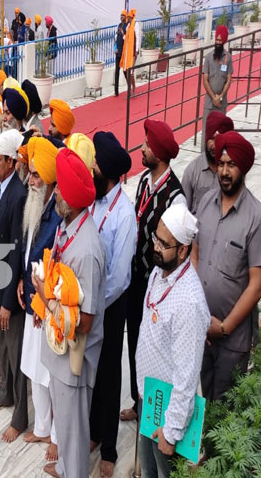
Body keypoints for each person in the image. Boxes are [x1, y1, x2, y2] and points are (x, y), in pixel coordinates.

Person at [32, 148, 105, 477]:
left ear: (72, 198)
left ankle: (72, 470)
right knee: (64, 423)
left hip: (75, 357)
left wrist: (45, 299)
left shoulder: (87, 249)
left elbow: (85, 322)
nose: (56, 193)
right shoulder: (67, 225)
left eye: (60, 188)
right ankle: (64, 467)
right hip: (60, 348)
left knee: (73, 433)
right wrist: (44, 305)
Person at [137, 203, 209, 477]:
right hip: (150, 398)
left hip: (168, 414)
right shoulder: (160, 271)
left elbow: (187, 376)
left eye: (163, 244)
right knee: (148, 470)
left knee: (163, 472)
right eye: (156, 238)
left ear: (183, 250)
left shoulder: (189, 302)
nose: (155, 247)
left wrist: (172, 431)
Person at [121, 120, 185, 423]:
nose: (142, 148)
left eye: (147, 145)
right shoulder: (145, 181)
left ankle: (155, 409)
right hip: (136, 280)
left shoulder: (175, 196)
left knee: (155, 348)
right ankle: (139, 401)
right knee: (135, 341)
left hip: (157, 285)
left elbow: (176, 249)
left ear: (158, 153)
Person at [193, 131, 261, 401]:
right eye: (221, 164)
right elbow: (194, 255)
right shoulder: (206, 203)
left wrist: (222, 327)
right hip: (200, 329)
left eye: (231, 165)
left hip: (232, 341)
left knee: (224, 410)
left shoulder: (255, 217)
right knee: (200, 402)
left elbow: (256, 285)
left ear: (242, 168)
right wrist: (198, 314)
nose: (224, 171)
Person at [88, 131, 137, 478]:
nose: (91, 166)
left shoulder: (124, 213)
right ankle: (92, 431)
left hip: (110, 304)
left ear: (105, 169)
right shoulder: (93, 200)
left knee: (108, 373)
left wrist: (94, 306)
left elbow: (119, 277)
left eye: (95, 162)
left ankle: (109, 448)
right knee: (90, 371)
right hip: (88, 304)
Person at [0, 129, 28, 443]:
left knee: (16, 351)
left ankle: (20, 417)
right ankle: (5, 393)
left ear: (12, 162)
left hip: (8, 286)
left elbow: (16, 252)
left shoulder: (19, 195)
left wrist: (8, 301)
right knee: (2, 345)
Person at [18, 137, 62, 454]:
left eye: (36, 175)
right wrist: (23, 282)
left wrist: (41, 301)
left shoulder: (57, 214)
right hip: (32, 299)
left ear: (48, 179)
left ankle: (57, 437)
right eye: (31, 174)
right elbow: (28, 252)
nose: (31, 181)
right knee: (34, 367)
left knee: (51, 374)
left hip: (47, 306)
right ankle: (42, 428)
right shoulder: (35, 204)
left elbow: (54, 265)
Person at [182, 110, 234, 213]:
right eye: (211, 139)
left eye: (219, 139)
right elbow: (182, 210)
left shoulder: (234, 172)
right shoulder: (192, 170)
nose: (214, 145)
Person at [202, 25, 233, 149]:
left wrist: (220, 97)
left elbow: (229, 79)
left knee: (221, 131)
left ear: (224, 41)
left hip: (221, 102)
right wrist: (213, 97)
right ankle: (204, 155)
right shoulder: (208, 57)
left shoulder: (228, 58)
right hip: (209, 102)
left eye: (220, 40)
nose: (218, 42)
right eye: (217, 40)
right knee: (206, 131)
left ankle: (219, 153)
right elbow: (205, 79)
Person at [120, 9, 139, 93]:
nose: (127, 19)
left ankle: (133, 89)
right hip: (127, 51)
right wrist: (123, 34)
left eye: (128, 17)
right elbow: (126, 39)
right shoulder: (128, 26)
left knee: (130, 71)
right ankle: (129, 87)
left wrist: (137, 50)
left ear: (131, 17)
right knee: (125, 70)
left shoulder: (135, 24)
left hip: (133, 51)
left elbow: (137, 38)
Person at [114, 10, 128, 96]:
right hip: (118, 51)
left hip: (124, 52)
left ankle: (129, 88)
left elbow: (127, 39)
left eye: (123, 15)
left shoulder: (127, 26)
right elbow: (116, 38)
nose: (121, 16)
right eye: (121, 15)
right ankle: (116, 91)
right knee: (117, 71)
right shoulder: (119, 25)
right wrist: (115, 48)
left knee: (125, 71)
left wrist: (123, 34)